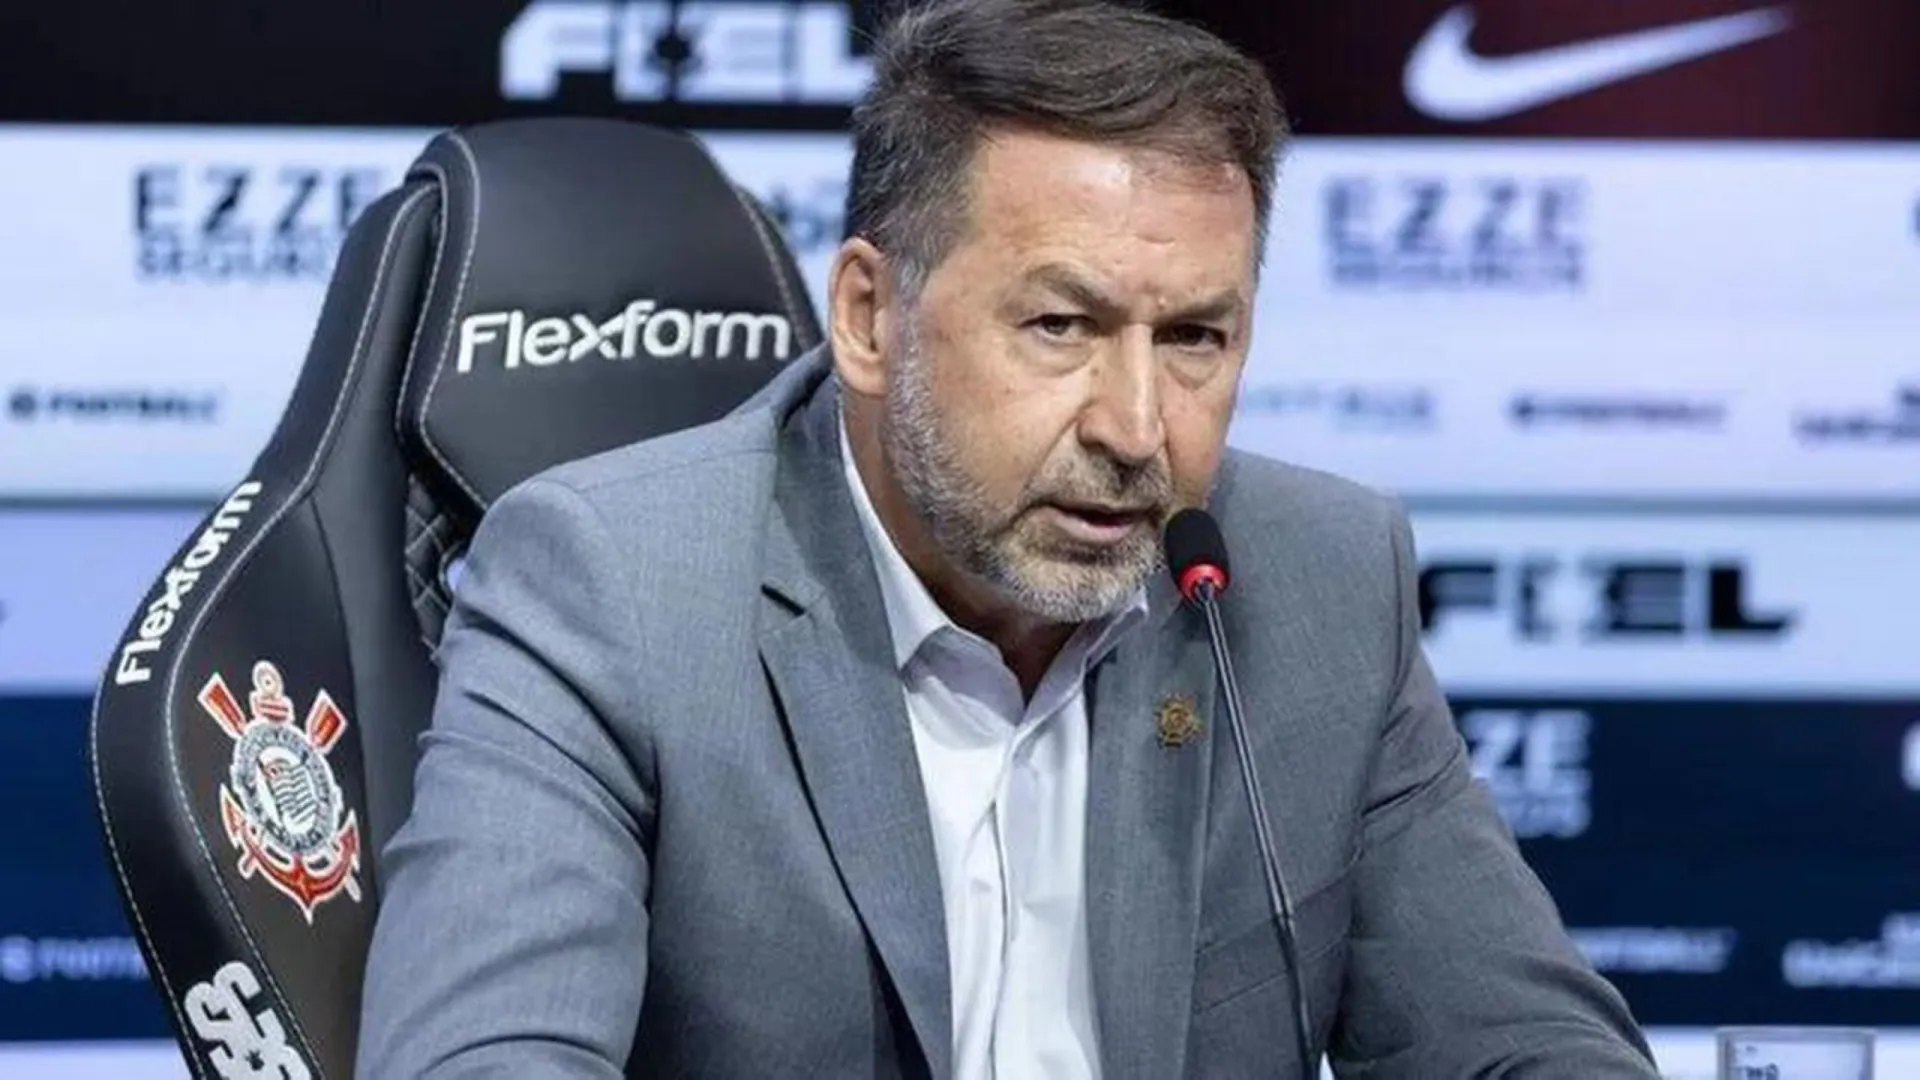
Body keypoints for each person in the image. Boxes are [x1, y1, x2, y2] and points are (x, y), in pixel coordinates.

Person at [356, 0, 1662, 1076]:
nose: (1138, 428)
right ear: (870, 317)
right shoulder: (610, 587)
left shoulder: (1316, 577)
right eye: (1060, 327)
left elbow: (1527, 1045)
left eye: (1195, 338)